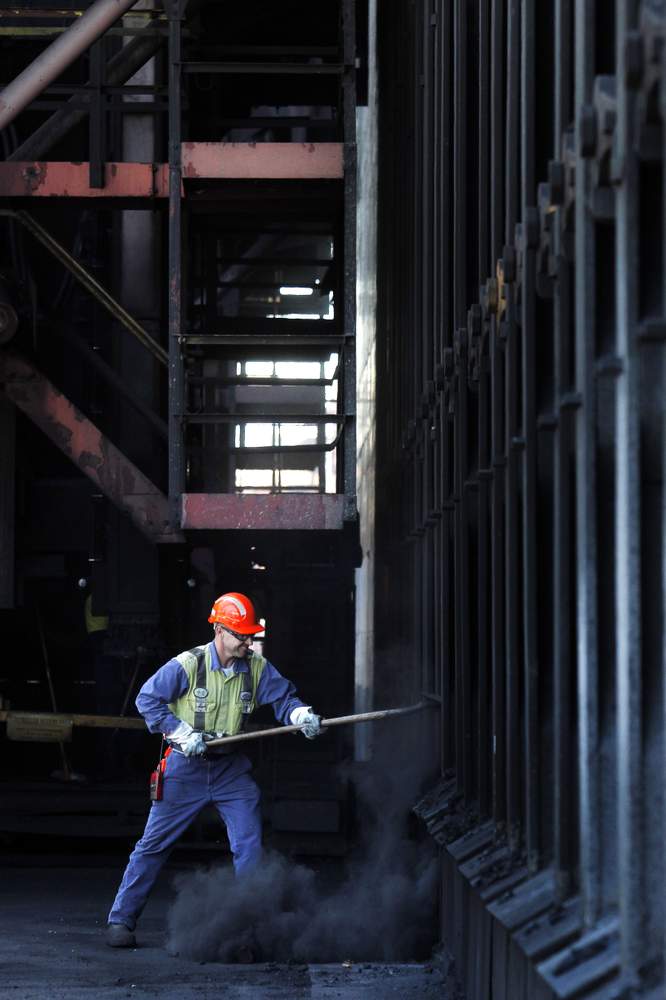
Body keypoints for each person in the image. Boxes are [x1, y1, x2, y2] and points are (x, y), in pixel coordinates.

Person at [106, 592, 321, 948]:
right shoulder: (188, 665)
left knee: (249, 846)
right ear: (219, 630)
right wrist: (180, 732)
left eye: (250, 636)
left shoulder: (256, 667)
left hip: (230, 770)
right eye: (241, 635)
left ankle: (252, 927)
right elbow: (147, 698)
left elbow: (284, 698)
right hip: (184, 767)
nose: (247, 642)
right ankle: (121, 920)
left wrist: (300, 715)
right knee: (152, 846)